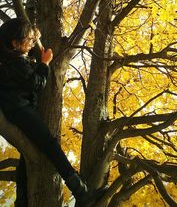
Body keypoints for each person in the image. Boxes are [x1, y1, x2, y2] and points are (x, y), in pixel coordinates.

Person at [0, 17, 104, 207]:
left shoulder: (10, 58)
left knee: (27, 155)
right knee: (49, 144)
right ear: (15, 43)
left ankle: (22, 201)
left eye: (33, 40)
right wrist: (45, 63)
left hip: (16, 108)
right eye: (29, 40)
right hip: (20, 109)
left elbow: (27, 51)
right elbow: (36, 84)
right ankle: (80, 191)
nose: (33, 43)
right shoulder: (16, 63)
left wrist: (34, 36)